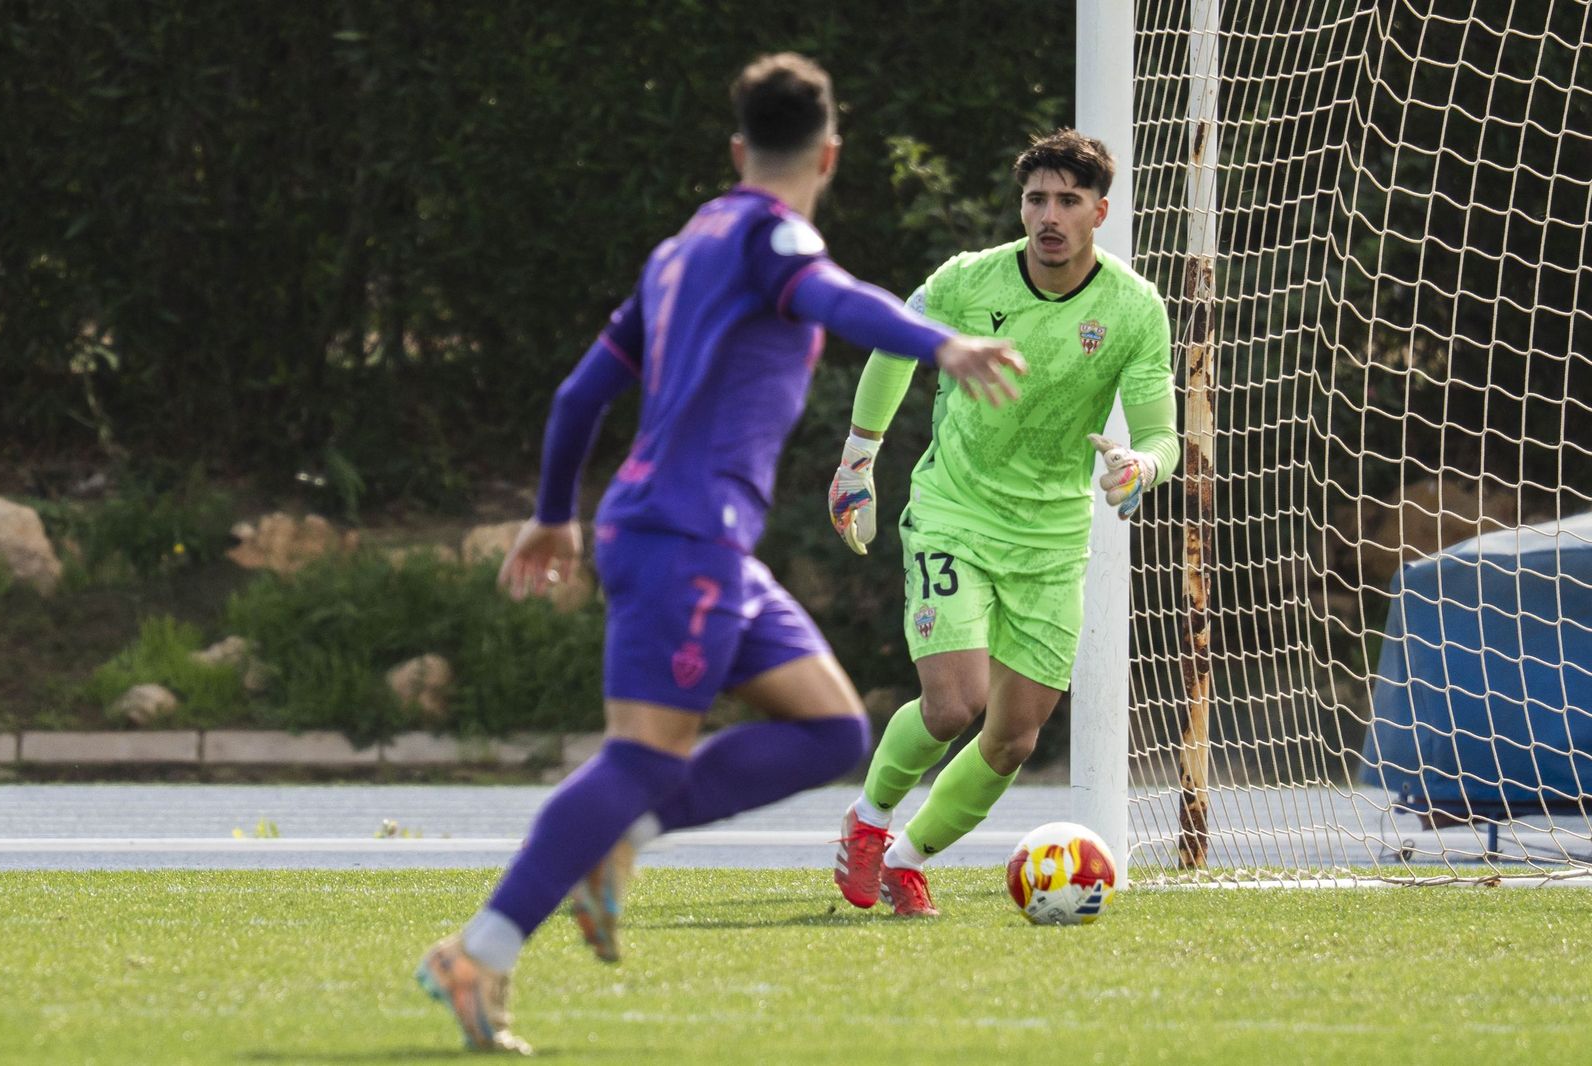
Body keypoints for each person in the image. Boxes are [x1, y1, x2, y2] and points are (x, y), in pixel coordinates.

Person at [414, 52, 1026, 1054]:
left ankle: (621, 842)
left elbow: (579, 396)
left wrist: (551, 511)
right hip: (680, 537)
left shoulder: (676, 251)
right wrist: (939, 344)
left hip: (703, 545)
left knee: (831, 732)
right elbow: (832, 297)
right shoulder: (774, 235)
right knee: (638, 758)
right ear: (829, 153)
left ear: (739, 148)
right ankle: (476, 952)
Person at [828, 128, 1180, 917]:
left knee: (1015, 737)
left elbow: (1162, 434)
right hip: (955, 511)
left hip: (1053, 537)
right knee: (955, 703)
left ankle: (909, 859)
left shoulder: (1132, 308)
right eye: (1036, 200)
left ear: (1100, 212)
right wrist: (858, 460)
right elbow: (894, 344)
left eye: (1067, 201)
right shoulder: (965, 282)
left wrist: (1140, 467)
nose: (1048, 216)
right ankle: (869, 821)